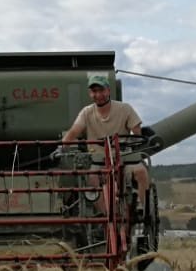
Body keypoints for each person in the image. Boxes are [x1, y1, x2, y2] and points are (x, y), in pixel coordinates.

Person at [59, 73, 149, 214]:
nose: (98, 94)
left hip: (124, 158)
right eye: (94, 91)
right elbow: (74, 131)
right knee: (91, 180)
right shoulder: (86, 113)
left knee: (141, 171)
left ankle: (140, 207)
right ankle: (106, 216)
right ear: (90, 93)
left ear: (108, 91)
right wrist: (62, 146)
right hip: (99, 161)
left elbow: (137, 133)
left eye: (101, 90)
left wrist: (134, 143)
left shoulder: (125, 109)